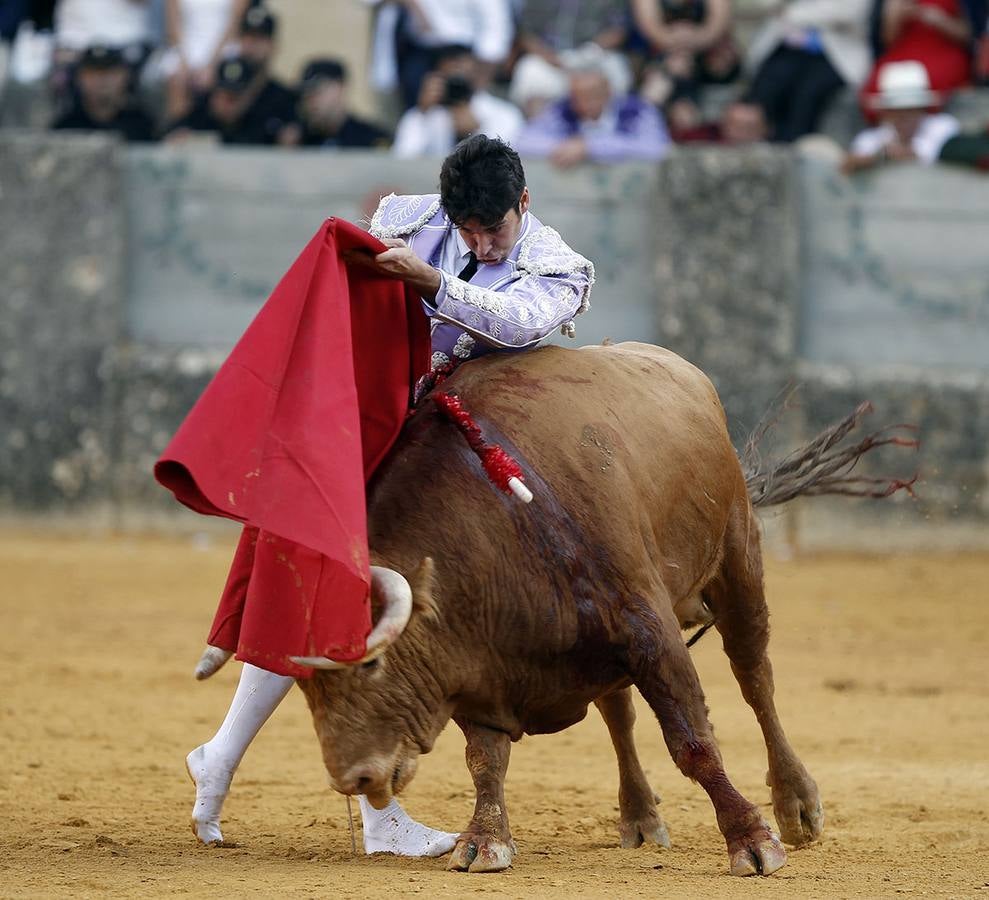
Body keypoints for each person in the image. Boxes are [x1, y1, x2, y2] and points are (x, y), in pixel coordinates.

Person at [185, 134, 595, 853]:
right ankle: (361, 812)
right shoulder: (406, 221)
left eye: (492, 229)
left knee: (362, 601)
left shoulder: (558, 264)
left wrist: (432, 282)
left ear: (523, 203)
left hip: (464, 471)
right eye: (466, 229)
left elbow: (522, 322)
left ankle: (227, 757)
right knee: (329, 584)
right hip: (380, 436)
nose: (479, 242)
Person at [746, 0, 872, 142]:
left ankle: (794, 147)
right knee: (772, 81)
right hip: (792, 50)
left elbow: (847, 14)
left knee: (808, 93)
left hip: (837, 55)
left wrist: (794, 14)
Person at [515, 59, 671, 167]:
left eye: (592, 96)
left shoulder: (638, 110)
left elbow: (657, 148)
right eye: (578, 97)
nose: (584, 104)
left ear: (608, 91)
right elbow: (524, 142)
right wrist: (564, 147)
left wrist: (591, 147)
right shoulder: (562, 110)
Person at [392, 44, 523, 158]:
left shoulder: (505, 114)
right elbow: (403, 160)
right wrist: (423, 114)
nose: (457, 84)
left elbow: (507, 168)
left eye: (463, 76)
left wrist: (476, 131)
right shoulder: (422, 116)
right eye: (452, 79)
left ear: (477, 73)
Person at [630, 0, 741, 134]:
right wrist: (678, 45)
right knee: (672, 67)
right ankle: (682, 109)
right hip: (663, 54)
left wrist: (691, 41)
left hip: (705, 54)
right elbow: (650, 29)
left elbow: (717, 27)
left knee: (682, 67)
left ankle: (674, 110)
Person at [509, 0, 631, 119]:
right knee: (529, 70)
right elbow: (526, 33)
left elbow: (618, 29)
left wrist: (592, 50)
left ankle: (615, 131)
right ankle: (540, 129)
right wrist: (549, 57)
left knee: (617, 68)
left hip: (593, 55)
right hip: (551, 60)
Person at [861, 0, 982, 115]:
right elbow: (887, 39)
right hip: (904, 53)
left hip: (943, 52)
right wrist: (897, 14)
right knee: (879, 85)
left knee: (931, 81)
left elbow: (969, 37)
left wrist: (940, 21)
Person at [841, 58, 960, 171]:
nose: (904, 117)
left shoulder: (944, 126)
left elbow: (924, 154)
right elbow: (852, 161)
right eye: (896, 111)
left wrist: (882, 156)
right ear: (885, 113)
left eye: (910, 109)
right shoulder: (871, 138)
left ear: (922, 109)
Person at [165, 53, 295, 145]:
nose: (226, 103)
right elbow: (167, 135)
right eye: (222, 95)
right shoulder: (199, 118)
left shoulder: (260, 121)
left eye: (234, 98)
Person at [161, 0, 249, 121]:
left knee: (228, 77)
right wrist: (184, 62)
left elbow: (235, 24)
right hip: (186, 47)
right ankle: (177, 130)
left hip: (225, 46)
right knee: (177, 77)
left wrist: (212, 65)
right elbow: (172, 25)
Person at [52, 43, 155, 141]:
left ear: (125, 76)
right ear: (79, 78)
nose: (101, 80)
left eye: (109, 73)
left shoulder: (142, 126)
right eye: (93, 73)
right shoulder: (66, 128)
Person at [288, 58, 391, 149]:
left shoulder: (370, 140)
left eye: (317, 91)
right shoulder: (299, 141)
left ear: (340, 87)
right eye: (305, 94)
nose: (310, 100)